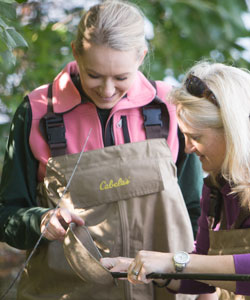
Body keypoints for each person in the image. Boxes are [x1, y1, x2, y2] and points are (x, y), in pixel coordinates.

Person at [0, 1, 203, 299]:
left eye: (121, 78)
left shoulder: (169, 109)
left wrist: (202, 285)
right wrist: (40, 221)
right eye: (93, 75)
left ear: (141, 57)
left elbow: (195, 212)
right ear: (75, 52)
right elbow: (8, 215)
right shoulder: (38, 111)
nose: (107, 90)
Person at [101, 61, 250, 299]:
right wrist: (148, 267)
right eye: (184, 136)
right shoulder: (215, 190)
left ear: (232, 131)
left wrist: (173, 261)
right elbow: (203, 275)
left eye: (196, 136)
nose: (188, 148)